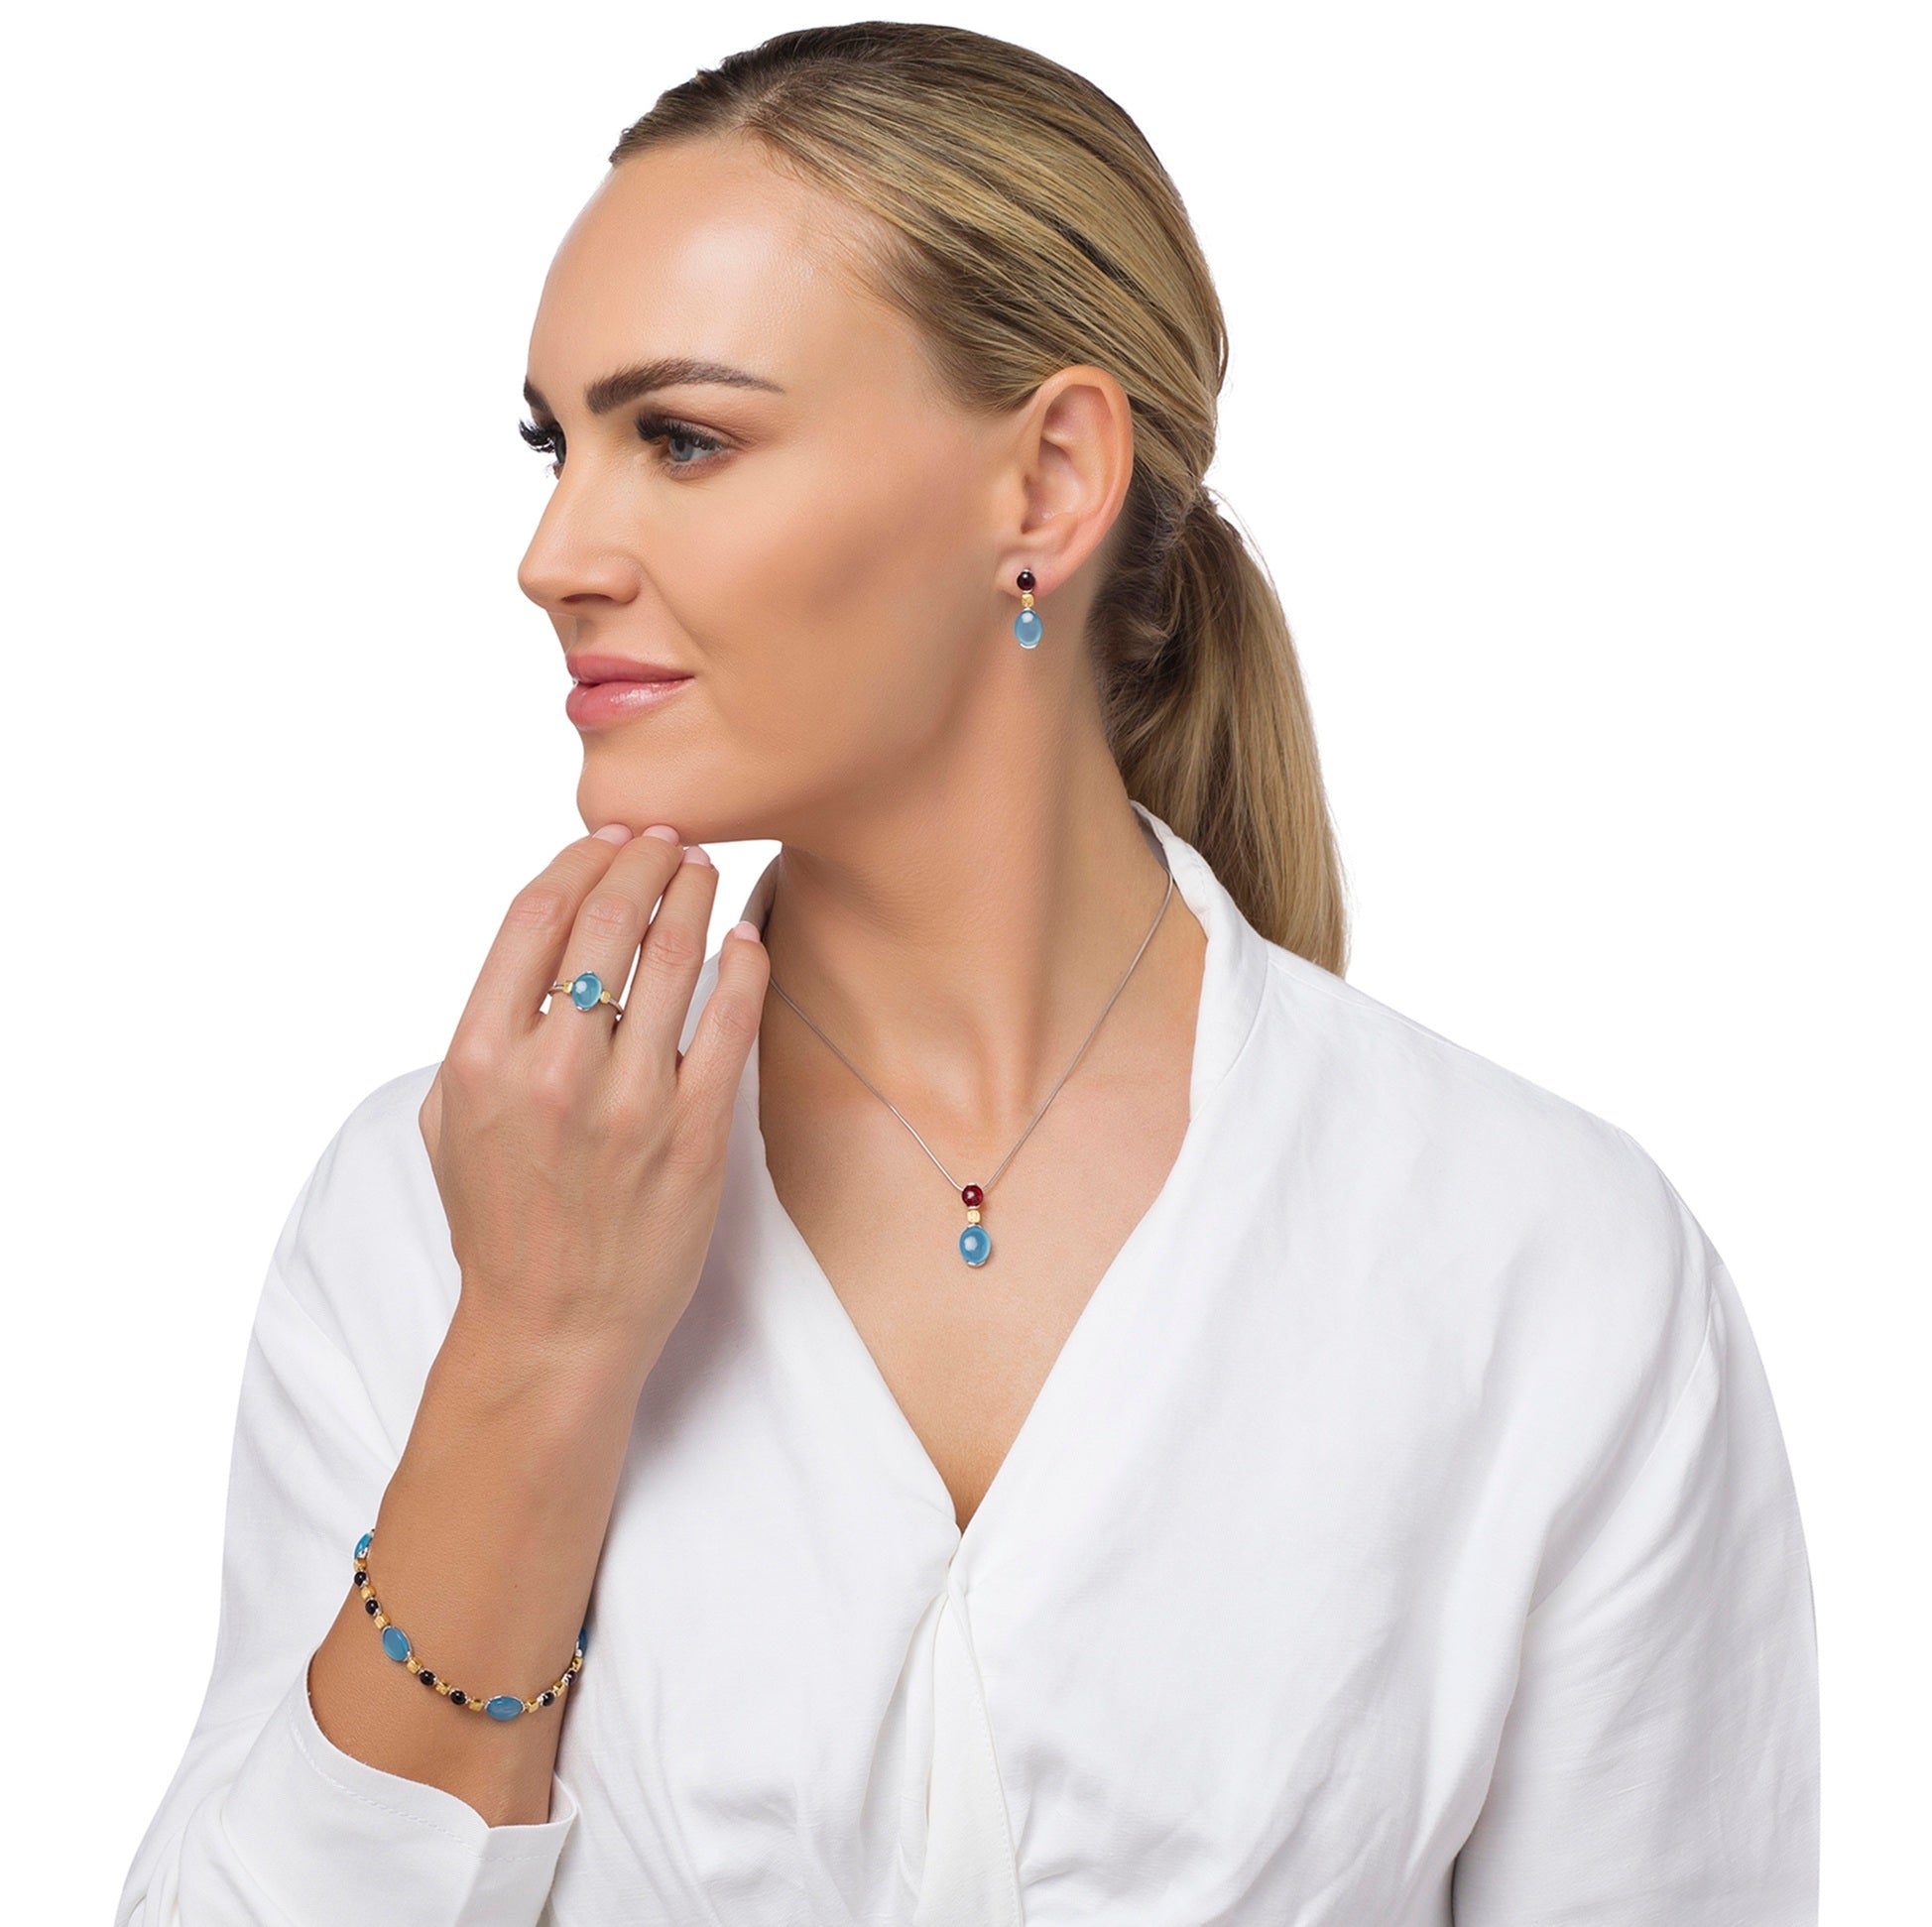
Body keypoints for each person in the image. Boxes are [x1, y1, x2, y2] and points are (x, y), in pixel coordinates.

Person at [115, 21, 1819, 1926]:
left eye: (682, 438)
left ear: (1050, 480)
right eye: (555, 443)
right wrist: (534, 1351)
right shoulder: (431, 1208)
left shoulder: (1543, 1266)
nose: (553, 553)